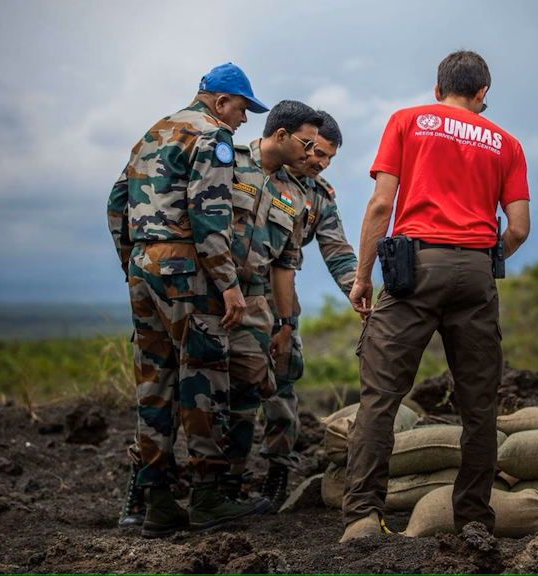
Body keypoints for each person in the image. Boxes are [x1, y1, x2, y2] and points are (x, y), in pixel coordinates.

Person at [340, 50, 531, 541]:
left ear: (437, 88)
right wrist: (485, 258)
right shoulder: (508, 143)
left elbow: (381, 205)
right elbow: (519, 228)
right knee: (479, 407)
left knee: (381, 396)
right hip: (477, 273)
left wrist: (362, 277)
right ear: (482, 92)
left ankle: (362, 517)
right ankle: (473, 521)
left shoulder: (406, 121)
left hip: (414, 269)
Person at [107, 62, 271, 537]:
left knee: (154, 381)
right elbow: (209, 213)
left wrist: (133, 261)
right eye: (242, 108)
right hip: (188, 271)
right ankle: (207, 496)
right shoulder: (213, 136)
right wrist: (228, 283)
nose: (243, 119)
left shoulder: (153, 133)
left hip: (144, 266)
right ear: (221, 101)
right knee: (204, 375)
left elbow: (117, 201)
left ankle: (157, 502)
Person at [218, 100, 323, 506]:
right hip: (208, 293)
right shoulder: (226, 161)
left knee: (247, 391)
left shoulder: (294, 194)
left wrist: (284, 323)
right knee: (184, 389)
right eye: (307, 143)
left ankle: (229, 487)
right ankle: (153, 487)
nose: (311, 153)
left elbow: (285, 265)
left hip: (254, 301)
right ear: (280, 135)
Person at [256, 110, 358, 512]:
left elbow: (338, 251)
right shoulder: (255, 170)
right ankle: (220, 477)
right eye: (318, 152)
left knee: (282, 381)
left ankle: (277, 471)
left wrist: (358, 292)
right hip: (233, 294)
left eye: (330, 157)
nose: (322, 162)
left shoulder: (320, 196)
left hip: (280, 302)